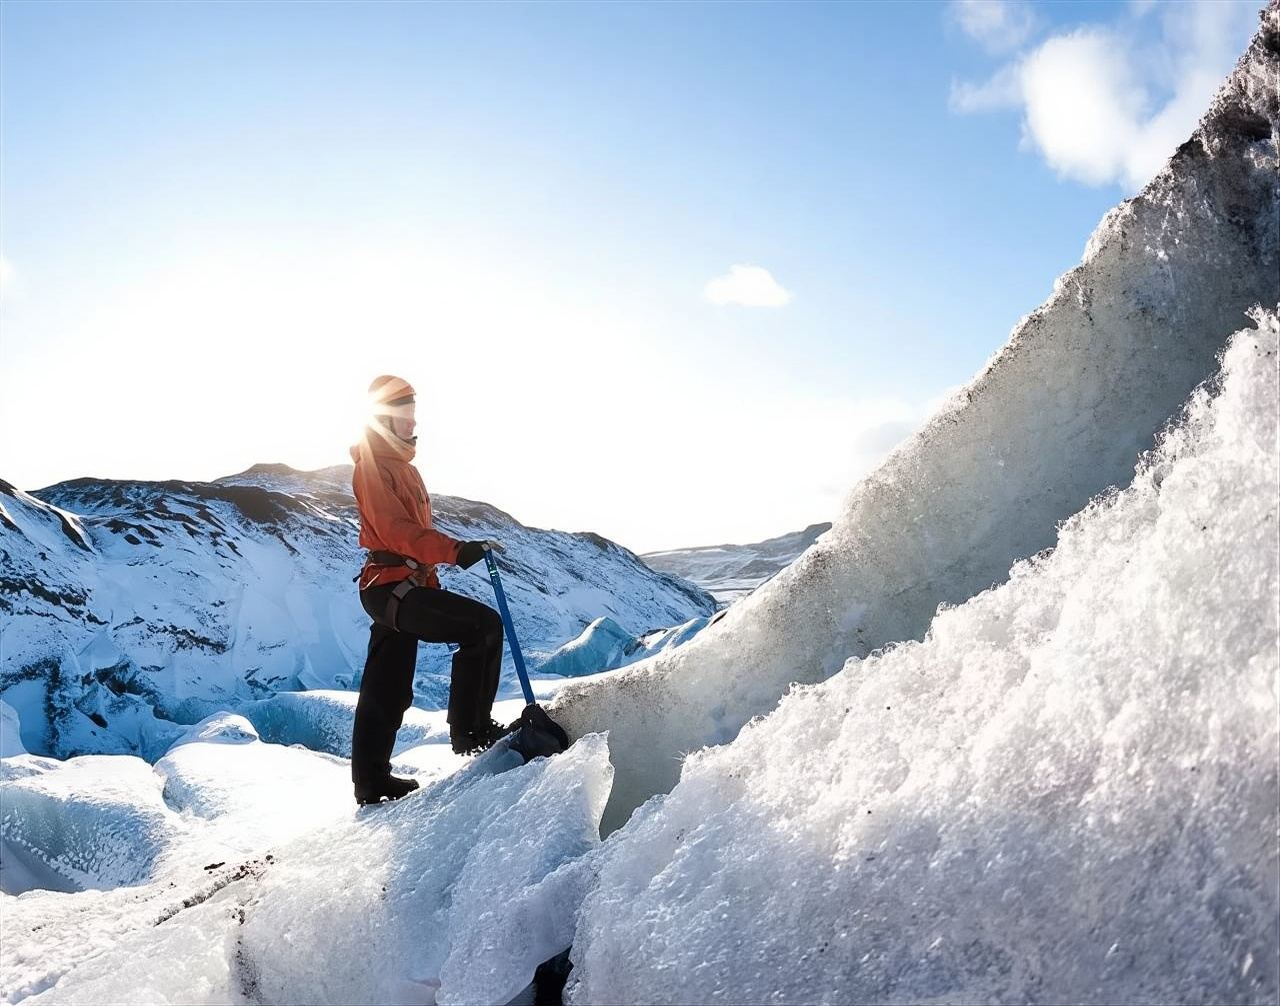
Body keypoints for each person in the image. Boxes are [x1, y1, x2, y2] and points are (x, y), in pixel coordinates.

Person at [348, 373, 509, 806]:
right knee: (483, 626)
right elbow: (394, 530)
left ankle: (371, 782)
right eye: (404, 412)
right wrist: (454, 551)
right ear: (384, 418)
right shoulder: (372, 466)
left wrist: (440, 562)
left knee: (388, 685)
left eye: (413, 412)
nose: (412, 420)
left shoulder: (405, 469)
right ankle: (471, 732)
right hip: (388, 587)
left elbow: (411, 536)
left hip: (400, 586)